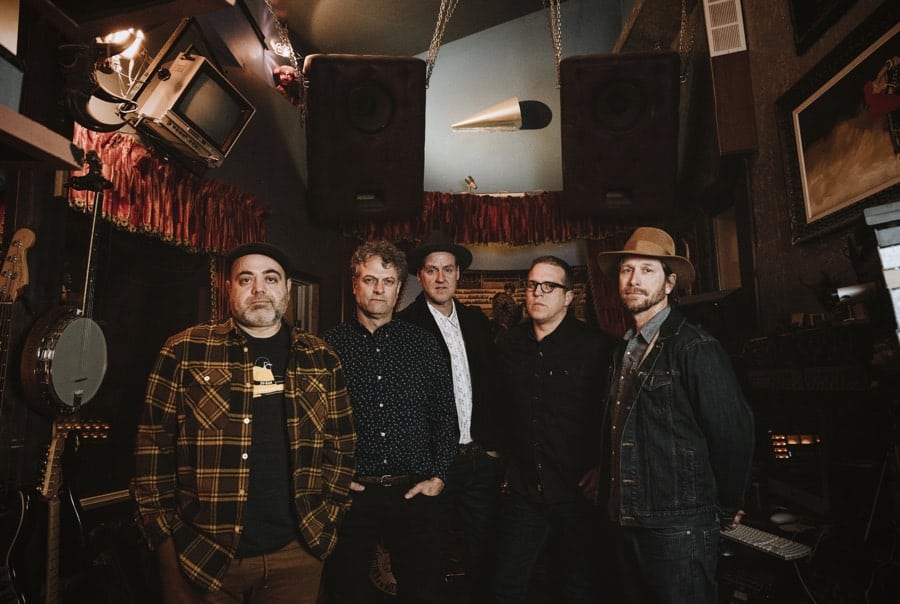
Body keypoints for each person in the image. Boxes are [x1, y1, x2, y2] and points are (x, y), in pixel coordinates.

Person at [130, 242, 356, 604]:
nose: (258, 290)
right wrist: (163, 541)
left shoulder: (321, 357)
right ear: (228, 289)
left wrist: (328, 515)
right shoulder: (184, 350)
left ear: (287, 289)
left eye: (271, 278)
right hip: (202, 553)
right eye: (245, 279)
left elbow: (341, 443)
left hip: (298, 552)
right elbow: (152, 446)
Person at [595, 226, 755, 604]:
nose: (634, 280)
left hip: (678, 524)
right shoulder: (623, 350)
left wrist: (729, 504)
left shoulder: (695, 348)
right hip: (627, 517)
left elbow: (734, 431)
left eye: (647, 271)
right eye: (626, 270)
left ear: (669, 284)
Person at [322, 240, 458, 604]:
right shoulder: (325, 348)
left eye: (388, 280)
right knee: (346, 591)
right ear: (355, 284)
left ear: (400, 287)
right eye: (370, 280)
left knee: (422, 591)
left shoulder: (424, 345)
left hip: (413, 493)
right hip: (353, 499)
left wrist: (439, 476)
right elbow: (309, 423)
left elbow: (446, 416)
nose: (379, 289)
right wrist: (331, 478)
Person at [493, 255, 617, 603]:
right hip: (525, 491)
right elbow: (500, 408)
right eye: (532, 285)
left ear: (568, 296)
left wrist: (603, 467)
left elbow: (615, 417)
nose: (538, 293)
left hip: (578, 492)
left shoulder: (599, 347)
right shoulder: (509, 345)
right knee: (505, 585)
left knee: (579, 588)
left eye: (550, 286)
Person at [397, 231, 503, 602]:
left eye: (447, 270)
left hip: (479, 460)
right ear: (420, 277)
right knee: (427, 560)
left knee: (485, 554)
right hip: (431, 466)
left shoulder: (477, 322)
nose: (440, 278)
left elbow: (491, 388)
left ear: (459, 275)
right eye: (431, 270)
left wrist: (493, 447)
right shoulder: (404, 326)